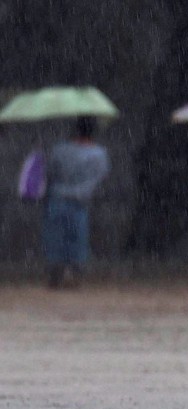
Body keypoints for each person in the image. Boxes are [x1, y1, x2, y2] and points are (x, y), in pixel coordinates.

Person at [42, 116, 111, 288]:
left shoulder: (60, 150)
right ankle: (75, 273)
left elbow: (50, 172)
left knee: (56, 238)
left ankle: (56, 273)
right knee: (77, 239)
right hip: (80, 201)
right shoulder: (99, 154)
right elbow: (101, 177)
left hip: (57, 198)